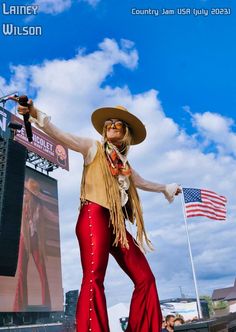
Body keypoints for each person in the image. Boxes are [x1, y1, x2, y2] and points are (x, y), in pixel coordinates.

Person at [14, 97, 181, 332]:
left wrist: (166, 188)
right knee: (94, 277)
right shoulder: (93, 147)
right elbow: (62, 136)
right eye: (109, 123)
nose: (112, 125)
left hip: (117, 224)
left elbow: (142, 183)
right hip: (94, 215)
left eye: (118, 124)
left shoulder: (125, 165)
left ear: (126, 133)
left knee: (145, 278)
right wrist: (35, 113)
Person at [14, 177, 57, 311]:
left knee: (43, 273)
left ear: (32, 196)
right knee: (21, 271)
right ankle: (19, 306)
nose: (25, 194)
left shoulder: (40, 207)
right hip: (24, 239)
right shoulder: (22, 204)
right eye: (25, 192)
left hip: (36, 241)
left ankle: (47, 304)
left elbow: (52, 217)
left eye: (27, 193)